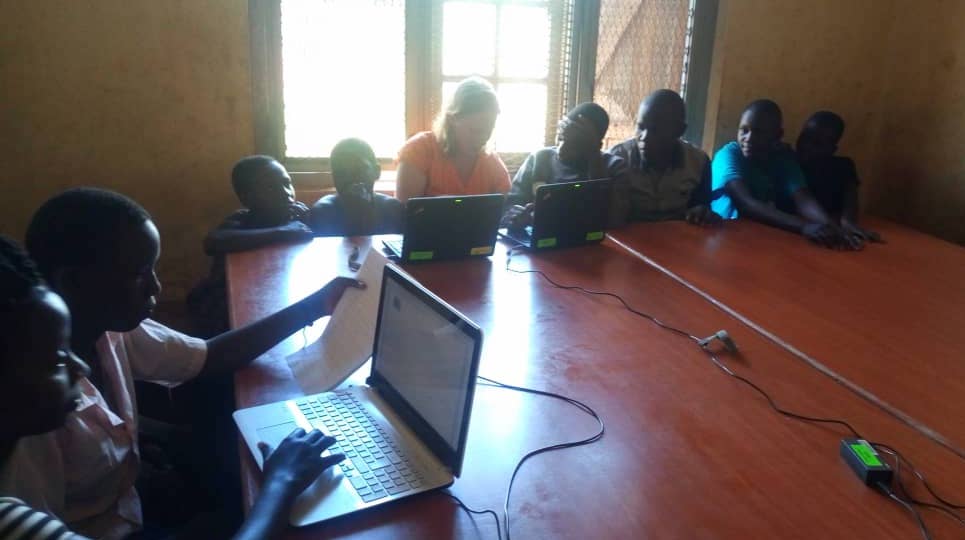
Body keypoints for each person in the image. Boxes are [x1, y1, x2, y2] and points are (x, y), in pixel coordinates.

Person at [22, 188, 362, 539]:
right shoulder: (31, 410)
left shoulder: (107, 328)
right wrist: (281, 483)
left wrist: (316, 305)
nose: (156, 286)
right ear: (75, 282)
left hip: (133, 497)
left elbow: (207, 357)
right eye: (139, 273)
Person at [189, 155, 313, 337]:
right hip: (232, 306)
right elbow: (213, 241)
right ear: (247, 198)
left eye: (287, 183)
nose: (285, 192)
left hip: (275, 297)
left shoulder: (296, 220)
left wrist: (307, 224)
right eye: (271, 187)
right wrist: (282, 231)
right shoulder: (244, 219)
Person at [710, 99, 861, 249]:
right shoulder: (728, 155)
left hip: (763, 237)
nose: (748, 138)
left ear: (778, 135)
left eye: (759, 132)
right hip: (724, 235)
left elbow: (803, 199)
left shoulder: (782, 159)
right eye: (744, 130)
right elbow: (746, 204)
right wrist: (805, 226)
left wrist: (833, 228)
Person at [503, 102, 630, 229]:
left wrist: (594, 158)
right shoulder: (539, 158)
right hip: (537, 239)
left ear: (597, 146)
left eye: (574, 145)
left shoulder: (615, 167)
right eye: (561, 139)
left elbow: (614, 220)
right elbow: (510, 207)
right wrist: (515, 215)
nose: (562, 149)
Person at [609, 89, 720, 225]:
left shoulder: (698, 163)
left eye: (655, 130)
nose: (645, 137)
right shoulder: (617, 160)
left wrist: (701, 213)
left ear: (679, 131)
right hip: (628, 241)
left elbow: (701, 208)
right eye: (640, 127)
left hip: (677, 240)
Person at [395, 77, 511, 202]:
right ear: (451, 120)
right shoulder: (419, 151)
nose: (482, 138)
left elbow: (505, 208)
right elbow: (404, 213)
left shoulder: (492, 163)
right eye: (475, 131)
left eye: (489, 130)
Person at [790, 111, 880, 242]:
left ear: (832, 149)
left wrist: (848, 222)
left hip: (829, 226)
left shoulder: (843, 166)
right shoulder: (788, 162)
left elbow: (851, 201)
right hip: (801, 227)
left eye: (817, 143)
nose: (806, 146)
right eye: (804, 137)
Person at [310, 138, 404, 236]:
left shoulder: (392, 209)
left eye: (358, 170)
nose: (349, 177)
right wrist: (357, 213)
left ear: (377, 172)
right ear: (333, 177)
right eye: (341, 172)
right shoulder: (324, 212)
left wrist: (368, 213)